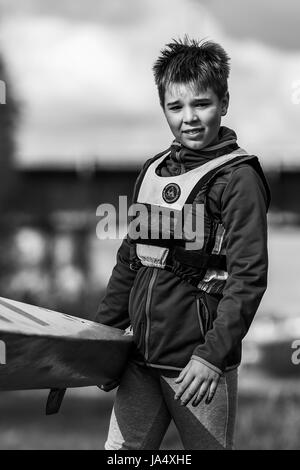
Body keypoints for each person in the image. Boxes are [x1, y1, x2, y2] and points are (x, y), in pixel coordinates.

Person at [95, 37, 270, 450]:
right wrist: (100, 344)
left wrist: (211, 357)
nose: (189, 118)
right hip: (140, 361)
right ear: (164, 111)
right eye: (175, 107)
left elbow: (248, 277)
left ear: (224, 102)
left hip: (198, 368)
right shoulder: (152, 171)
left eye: (201, 104)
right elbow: (130, 262)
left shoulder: (238, 178)